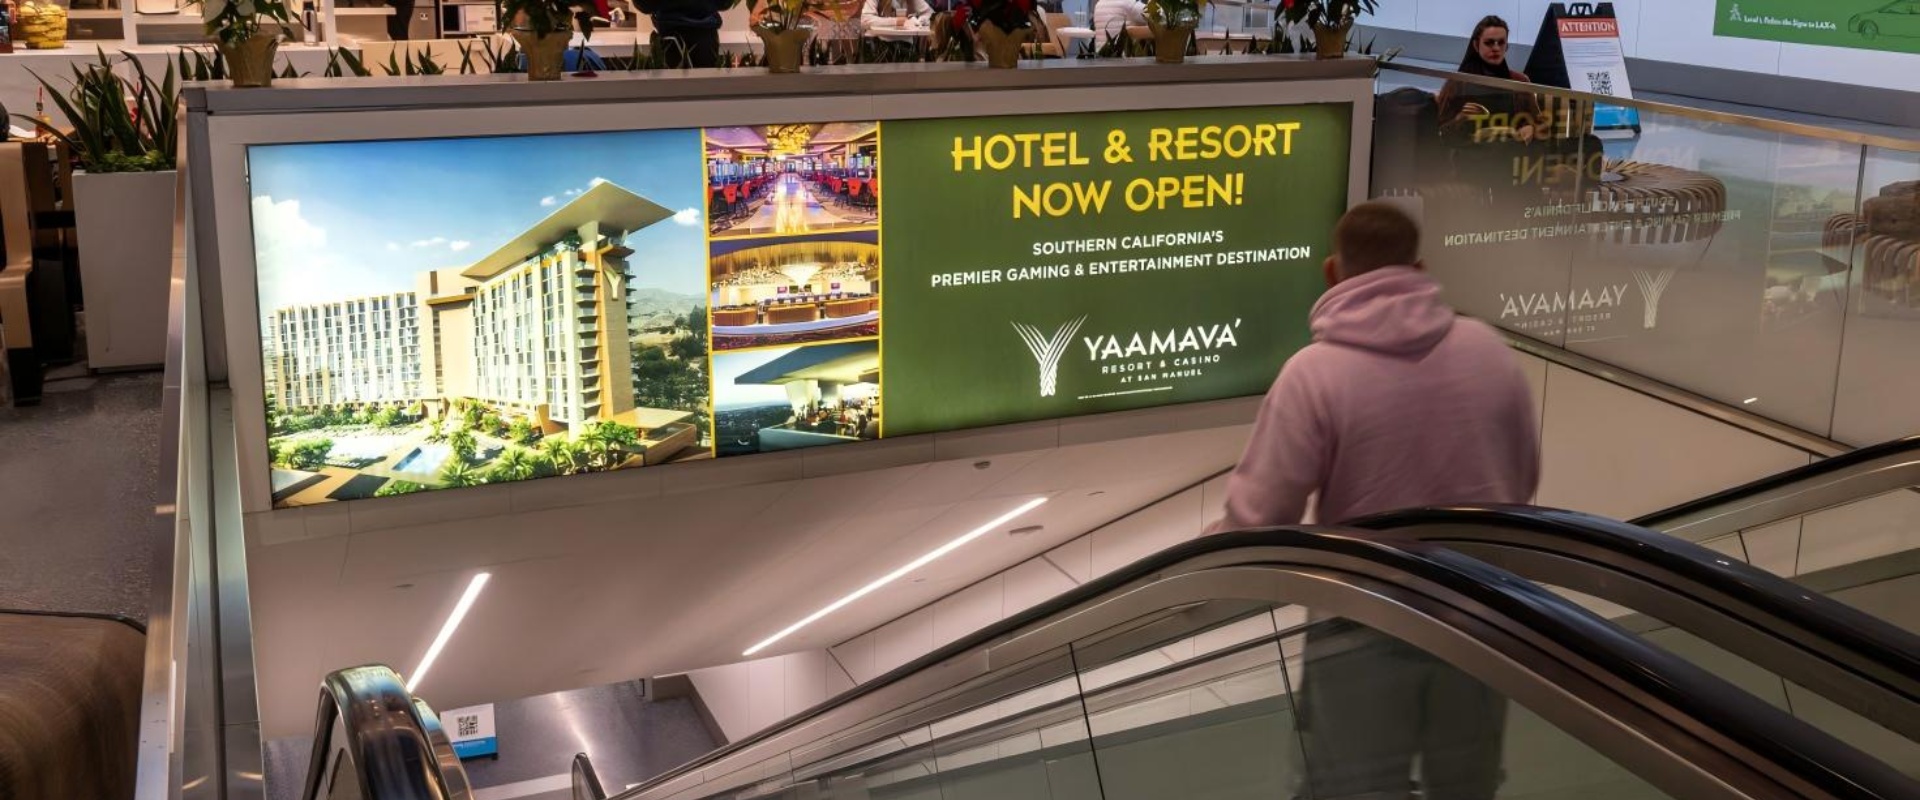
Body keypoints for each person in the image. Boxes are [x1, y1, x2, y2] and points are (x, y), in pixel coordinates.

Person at [1210, 202, 1537, 800]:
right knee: (1467, 787)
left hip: (1364, 623)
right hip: (1482, 614)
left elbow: (1259, 520)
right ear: (1420, 268)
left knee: (1355, 789)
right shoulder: (1489, 350)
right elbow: (1522, 480)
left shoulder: (1314, 374)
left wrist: (1194, 578)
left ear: (1332, 271)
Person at [1436, 15, 1541, 142]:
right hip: (1468, 152)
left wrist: (1530, 128)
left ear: (1507, 46)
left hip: (1509, 151)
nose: (1496, 48)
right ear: (1476, 45)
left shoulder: (1519, 82)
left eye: (1501, 43)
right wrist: (1460, 119)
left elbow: (1540, 125)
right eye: (1489, 43)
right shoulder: (1458, 83)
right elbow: (1438, 131)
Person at [636, 0, 731, 67]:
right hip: (705, 36)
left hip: (669, 34)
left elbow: (645, 5)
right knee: (704, 86)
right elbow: (724, 3)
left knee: (671, 87)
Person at [860, 0, 932, 31]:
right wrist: (898, 21)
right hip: (880, 42)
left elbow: (930, 13)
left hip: (907, 42)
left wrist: (920, 21)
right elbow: (865, 20)